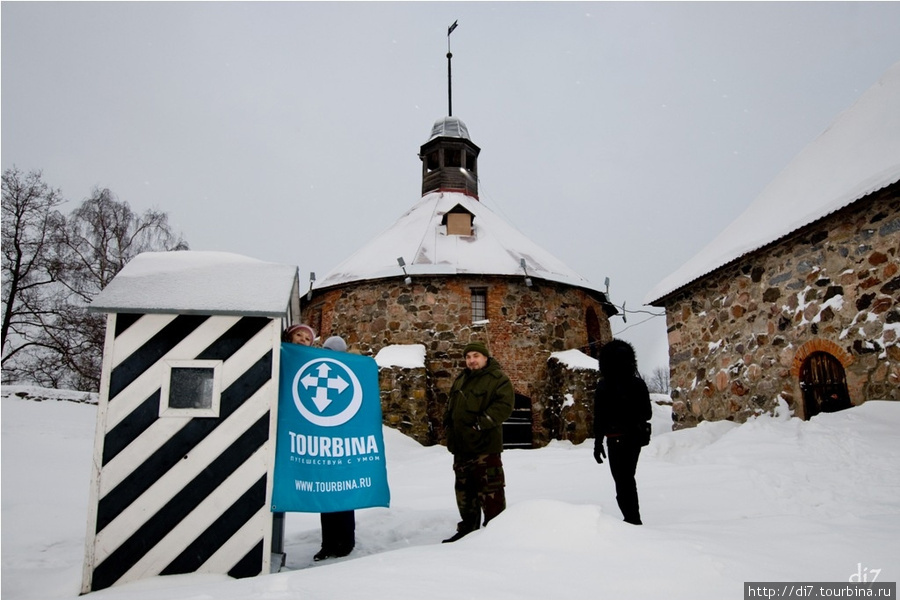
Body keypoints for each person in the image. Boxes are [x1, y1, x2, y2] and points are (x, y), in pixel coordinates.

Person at [442, 341, 514, 543]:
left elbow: (504, 405)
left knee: (491, 493)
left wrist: (480, 424)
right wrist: (447, 426)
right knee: (465, 495)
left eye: (475, 356)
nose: (471, 360)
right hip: (461, 448)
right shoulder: (461, 379)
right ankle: (468, 531)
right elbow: (451, 406)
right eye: (468, 357)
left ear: (485, 357)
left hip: (484, 449)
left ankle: (496, 534)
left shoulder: (497, 379)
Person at [593, 339, 652, 525]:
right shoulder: (638, 384)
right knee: (627, 477)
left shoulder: (604, 386)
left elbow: (599, 418)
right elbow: (648, 413)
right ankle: (632, 517)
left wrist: (598, 443)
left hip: (616, 438)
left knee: (622, 479)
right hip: (635, 438)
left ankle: (632, 519)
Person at [313, 335, 356, 561]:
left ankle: (346, 542)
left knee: (344, 496)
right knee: (326, 498)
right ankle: (327, 543)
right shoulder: (317, 370)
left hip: (344, 445)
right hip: (323, 445)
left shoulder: (350, 372)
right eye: (328, 350)